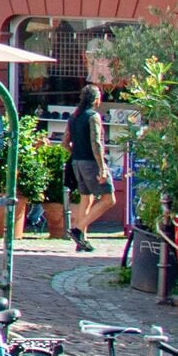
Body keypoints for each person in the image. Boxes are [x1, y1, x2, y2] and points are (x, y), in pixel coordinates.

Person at [63, 83, 111, 252]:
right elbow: (96, 143)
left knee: (86, 198)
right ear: (96, 100)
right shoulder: (93, 116)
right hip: (91, 162)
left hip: (77, 162)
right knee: (109, 199)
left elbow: (65, 143)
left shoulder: (74, 117)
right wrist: (102, 167)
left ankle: (81, 241)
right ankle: (78, 229)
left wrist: (76, 152)